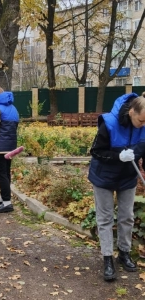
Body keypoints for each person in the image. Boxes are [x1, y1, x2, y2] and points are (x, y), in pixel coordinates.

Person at [88, 92, 145, 281]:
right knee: (105, 219)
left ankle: (124, 253)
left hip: (127, 177)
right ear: (131, 112)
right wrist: (118, 157)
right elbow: (96, 151)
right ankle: (107, 258)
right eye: (141, 120)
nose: (143, 125)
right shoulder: (109, 123)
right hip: (104, 176)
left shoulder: (144, 126)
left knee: (126, 217)